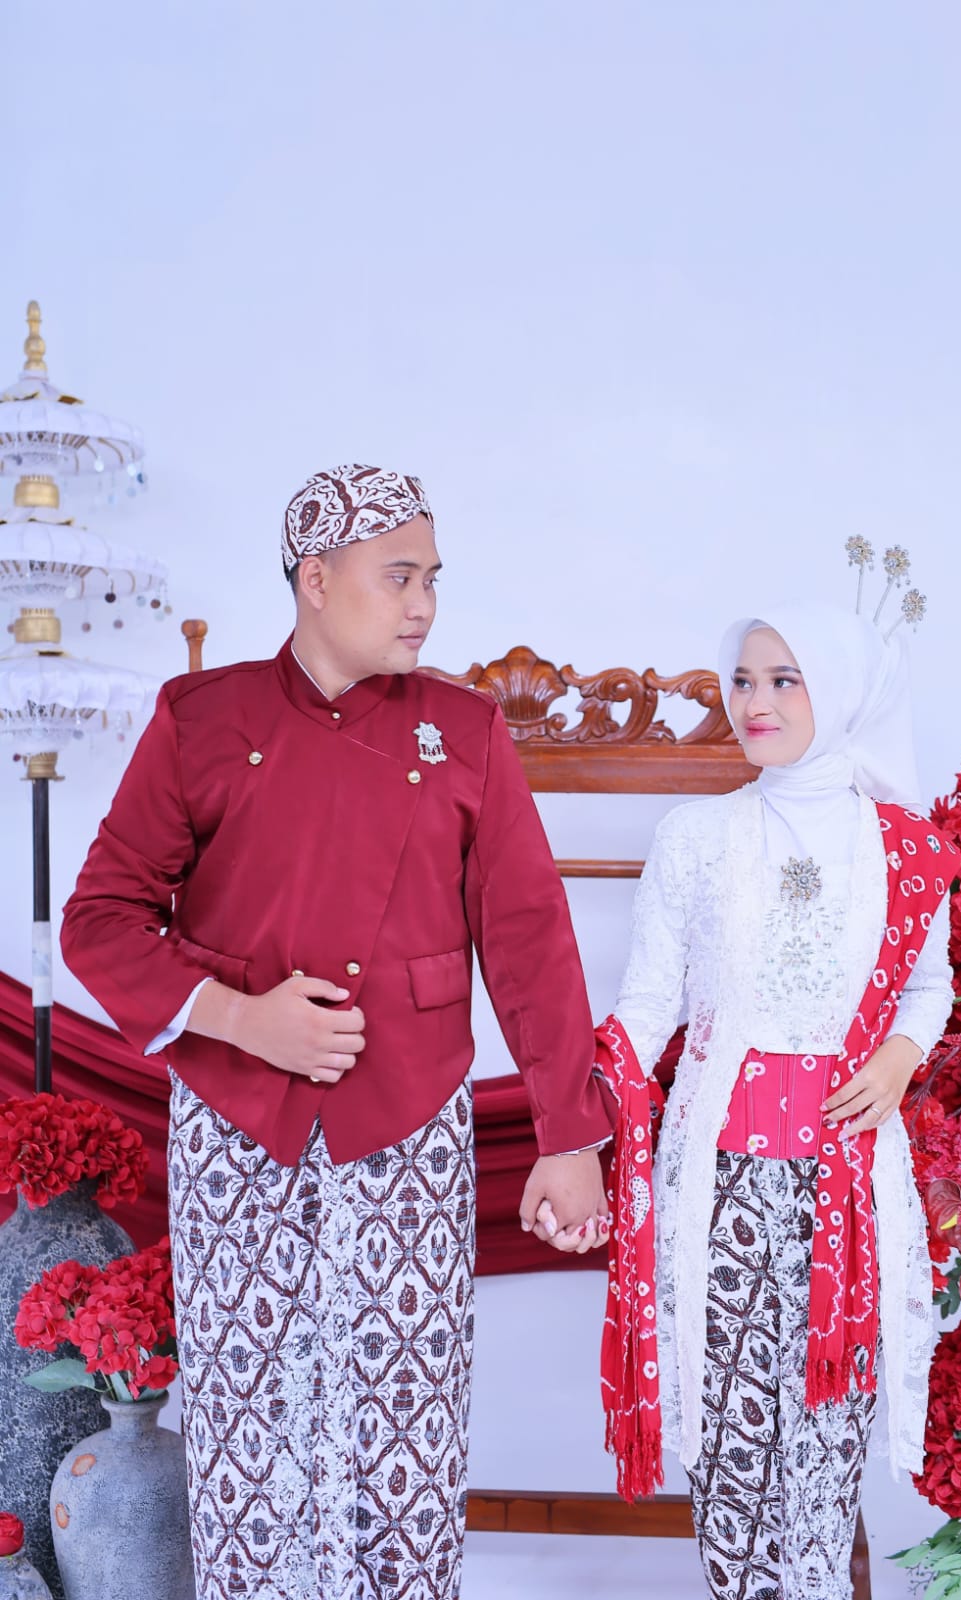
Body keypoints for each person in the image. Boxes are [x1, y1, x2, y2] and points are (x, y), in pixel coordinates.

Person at [61, 463, 612, 1600]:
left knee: (406, 1442)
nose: (424, 605)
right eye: (398, 576)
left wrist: (567, 1133)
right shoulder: (200, 719)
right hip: (234, 1127)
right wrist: (240, 1019)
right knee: (247, 1438)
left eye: (433, 579)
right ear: (316, 579)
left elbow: (528, 940)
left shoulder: (465, 730)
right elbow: (101, 919)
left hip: (408, 1120)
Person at [611, 582, 957, 1599]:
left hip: (843, 1192)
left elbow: (928, 985)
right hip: (717, 1190)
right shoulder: (696, 835)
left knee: (821, 1453)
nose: (753, 702)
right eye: (742, 680)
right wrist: (584, 1100)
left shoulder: (905, 848)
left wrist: (899, 1055)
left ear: (840, 690)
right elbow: (647, 1002)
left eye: (783, 680)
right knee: (730, 1451)